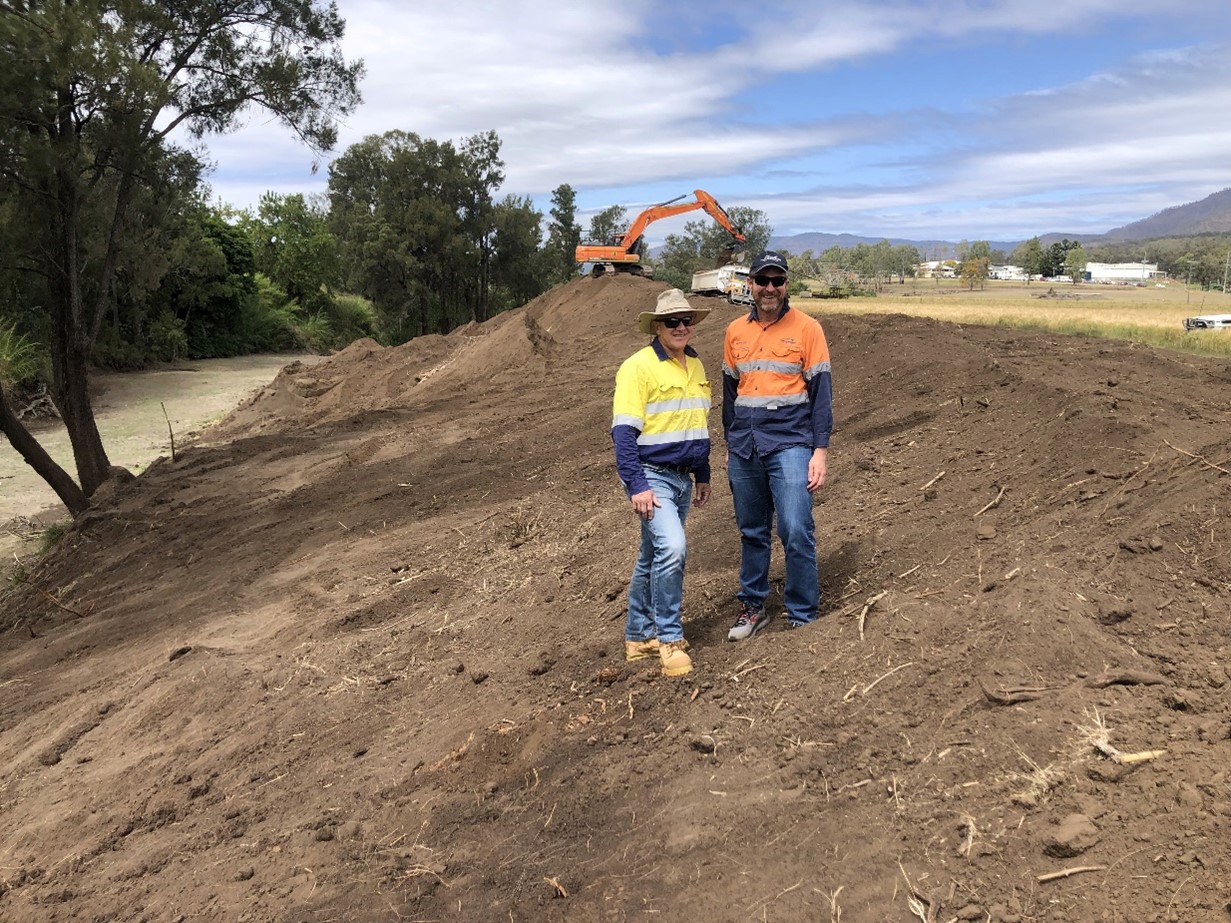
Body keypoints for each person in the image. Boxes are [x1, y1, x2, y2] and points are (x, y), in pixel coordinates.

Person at [722, 251, 832, 640]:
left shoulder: (808, 328)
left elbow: (821, 395)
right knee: (752, 531)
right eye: (762, 280)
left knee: (795, 528)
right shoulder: (735, 331)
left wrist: (820, 452)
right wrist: (730, 444)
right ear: (749, 283)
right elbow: (729, 393)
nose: (770, 288)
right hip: (745, 446)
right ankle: (753, 607)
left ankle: (802, 614)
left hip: (790, 444)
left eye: (777, 281)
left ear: (787, 285)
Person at [611, 288, 713, 676]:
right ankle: (669, 638)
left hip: (683, 479)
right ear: (657, 326)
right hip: (651, 476)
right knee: (672, 547)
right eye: (673, 321)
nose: (682, 327)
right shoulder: (637, 367)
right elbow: (623, 433)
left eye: (687, 321)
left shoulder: (696, 365)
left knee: (652, 555)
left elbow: (696, 423)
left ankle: (639, 636)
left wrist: (702, 474)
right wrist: (637, 485)